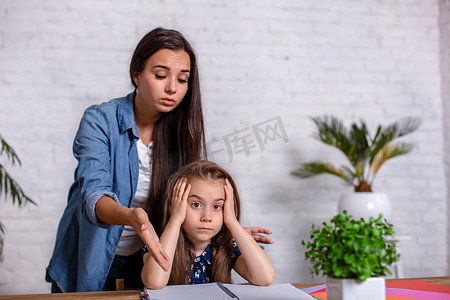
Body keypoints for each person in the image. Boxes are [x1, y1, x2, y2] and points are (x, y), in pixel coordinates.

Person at [45, 28, 273, 293]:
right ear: (137, 75)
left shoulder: (183, 131)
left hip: (152, 258)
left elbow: (189, 200)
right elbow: (94, 197)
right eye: (161, 75)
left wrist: (218, 227)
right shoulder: (100, 121)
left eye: (183, 79)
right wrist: (133, 217)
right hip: (91, 254)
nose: (172, 88)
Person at [142, 160, 275, 289]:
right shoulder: (159, 242)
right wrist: (176, 219)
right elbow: (154, 282)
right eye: (196, 205)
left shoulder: (227, 246)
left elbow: (265, 278)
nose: (207, 217)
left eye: (217, 206)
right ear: (176, 205)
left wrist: (232, 222)